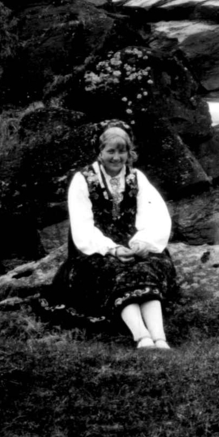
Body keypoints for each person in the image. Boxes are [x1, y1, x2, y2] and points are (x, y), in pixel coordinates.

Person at [50, 120, 179, 348]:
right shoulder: (83, 180)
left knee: (148, 267)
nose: (117, 158)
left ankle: (160, 338)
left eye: (122, 151)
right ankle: (142, 336)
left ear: (130, 153)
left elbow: (156, 214)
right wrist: (112, 248)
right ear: (100, 152)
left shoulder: (136, 178)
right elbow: (83, 227)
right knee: (114, 271)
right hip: (94, 249)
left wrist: (141, 242)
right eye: (111, 151)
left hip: (132, 242)